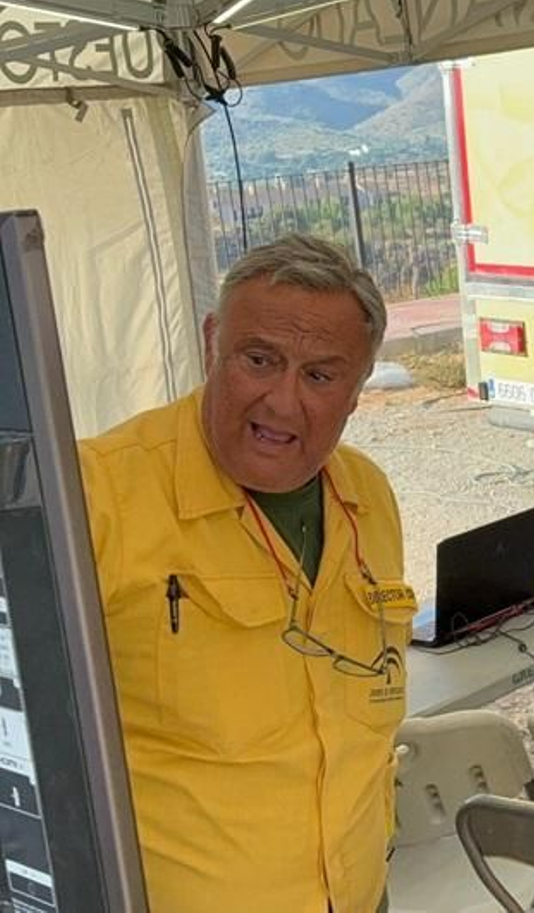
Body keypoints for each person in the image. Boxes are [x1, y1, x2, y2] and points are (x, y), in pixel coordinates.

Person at [78, 234, 409, 912]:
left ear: (357, 389)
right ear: (211, 344)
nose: (281, 403)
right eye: (260, 360)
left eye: (320, 376)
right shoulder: (93, 495)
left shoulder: (368, 495)